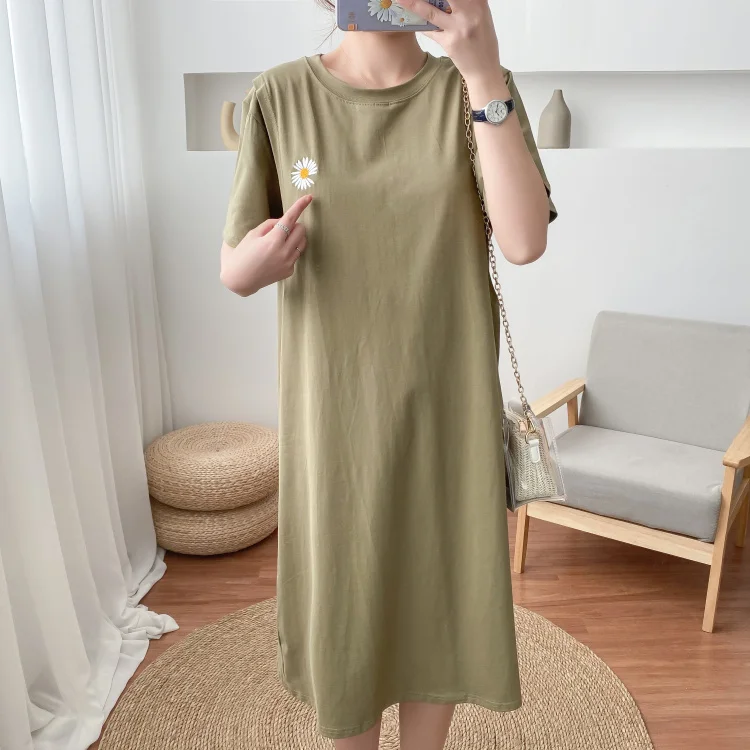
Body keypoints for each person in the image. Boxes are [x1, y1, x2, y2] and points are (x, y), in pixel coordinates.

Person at [220, 0, 557, 747]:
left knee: (440, 600)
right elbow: (232, 267)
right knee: (349, 613)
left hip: (446, 413)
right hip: (334, 419)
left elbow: (525, 241)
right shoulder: (280, 95)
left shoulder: (473, 91)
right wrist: (256, 263)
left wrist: (482, 70)